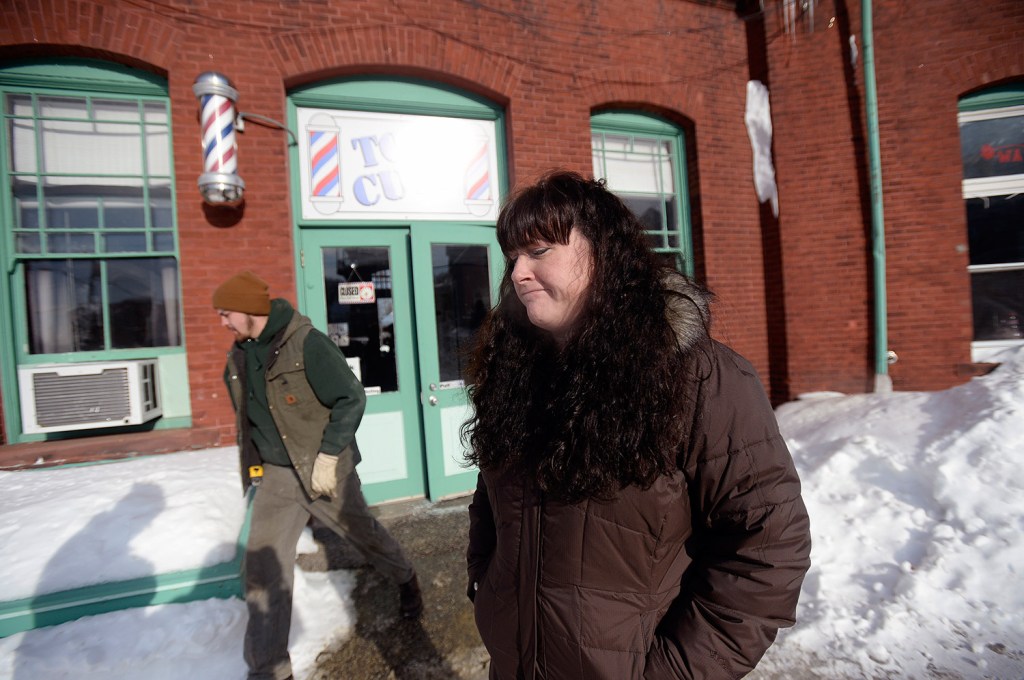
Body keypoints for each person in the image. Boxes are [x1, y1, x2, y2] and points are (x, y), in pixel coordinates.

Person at [464, 171, 812, 679]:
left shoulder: (697, 377)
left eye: (539, 251)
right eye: (513, 257)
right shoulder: (519, 376)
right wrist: (486, 583)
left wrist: (673, 673)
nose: (517, 273)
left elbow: (769, 546)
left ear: (603, 255)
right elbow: (491, 500)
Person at [213, 271, 422, 680]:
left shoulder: (306, 344)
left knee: (364, 536)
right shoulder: (239, 355)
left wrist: (328, 455)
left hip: (325, 471)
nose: (222, 323)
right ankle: (270, 669)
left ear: (250, 310)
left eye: (226, 314)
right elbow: (248, 416)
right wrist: (255, 462)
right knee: (263, 569)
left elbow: (351, 397)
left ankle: (405, 577)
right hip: (277, 477)